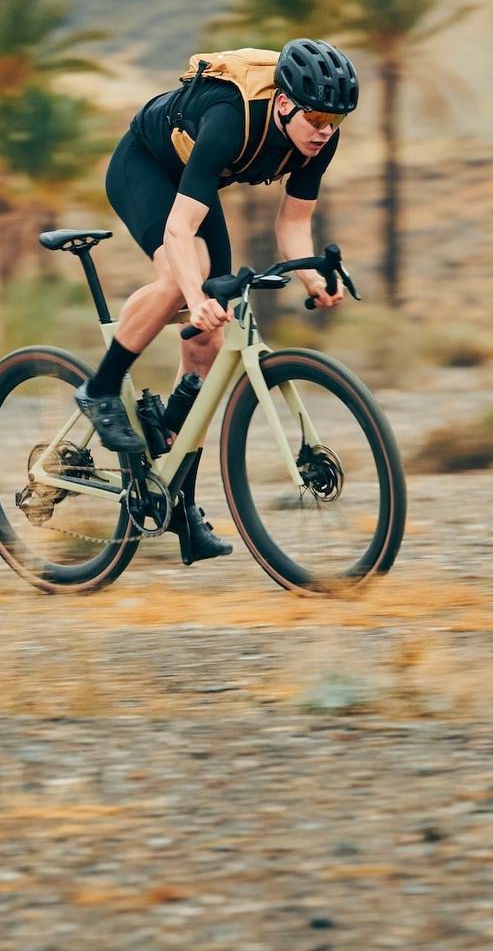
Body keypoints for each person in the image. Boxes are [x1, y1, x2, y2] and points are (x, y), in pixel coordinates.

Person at [74, 37, 360, 562]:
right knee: (191, 275)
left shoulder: (321, 137)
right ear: (283, 103)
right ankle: (100, 388)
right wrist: (192, 293)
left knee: (209, 342)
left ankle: (177, 503)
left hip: (192, 183)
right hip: (145, 165)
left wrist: (313, 281)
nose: (323, 131)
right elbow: (180, 230)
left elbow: (294, 222)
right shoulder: (231, 119)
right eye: (316, 117)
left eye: (335, 121)